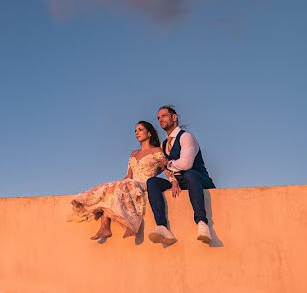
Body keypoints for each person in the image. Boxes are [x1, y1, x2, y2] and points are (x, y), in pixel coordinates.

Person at [68, 121, 167, 241]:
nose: (137, 133)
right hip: (131, 183)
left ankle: (129, 223)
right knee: (111, 186)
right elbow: (129, 175)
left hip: (145, 184)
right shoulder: (134, 153)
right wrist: (117, 185)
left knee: (125, 185)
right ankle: (104, 227)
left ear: (149, 133)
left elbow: (166, 168)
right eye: (135, 131)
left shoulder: (156, 151)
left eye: (140, 129)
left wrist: (174, 182)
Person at [147, 105, 216, 246]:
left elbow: (186, 164)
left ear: (174, 117)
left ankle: (202, 223)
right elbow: (162, 167)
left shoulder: (186, 137)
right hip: (179, 182)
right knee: (152, 182)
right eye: (158, 118)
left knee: (190, 174)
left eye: (164, 116)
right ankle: (162, 226)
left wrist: (167, 163)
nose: (160, 119)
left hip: (199, 180)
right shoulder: (164, 144)